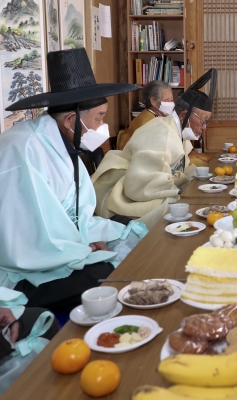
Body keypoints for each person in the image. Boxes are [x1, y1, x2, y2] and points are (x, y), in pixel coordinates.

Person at [0, 49, 147, 313]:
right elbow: (26, 241)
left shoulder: (61, 140)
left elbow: (73, 215)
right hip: (22, 270)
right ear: (71, 119)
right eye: (100, 117)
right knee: (108, 276)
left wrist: (84, 240)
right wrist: (81, 250)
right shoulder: (24, 150)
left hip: (58, 245)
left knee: (131, 229)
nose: (104, 126)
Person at [92, 69, 217, 229]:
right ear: (183, 115)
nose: (205, 128)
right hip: (122, 195)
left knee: (191, 201)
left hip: (141, 190)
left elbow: (174, 171)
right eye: (203, 121)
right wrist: (184, 191)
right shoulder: (162, 134)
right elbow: (141, 185)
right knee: (182, 207)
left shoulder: (176, 132)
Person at [117, 80, 175, 150]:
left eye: (171, 100)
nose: (170, 104)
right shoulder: (147, 120)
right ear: (153, 101)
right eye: (166, 100)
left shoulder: (156, 115)